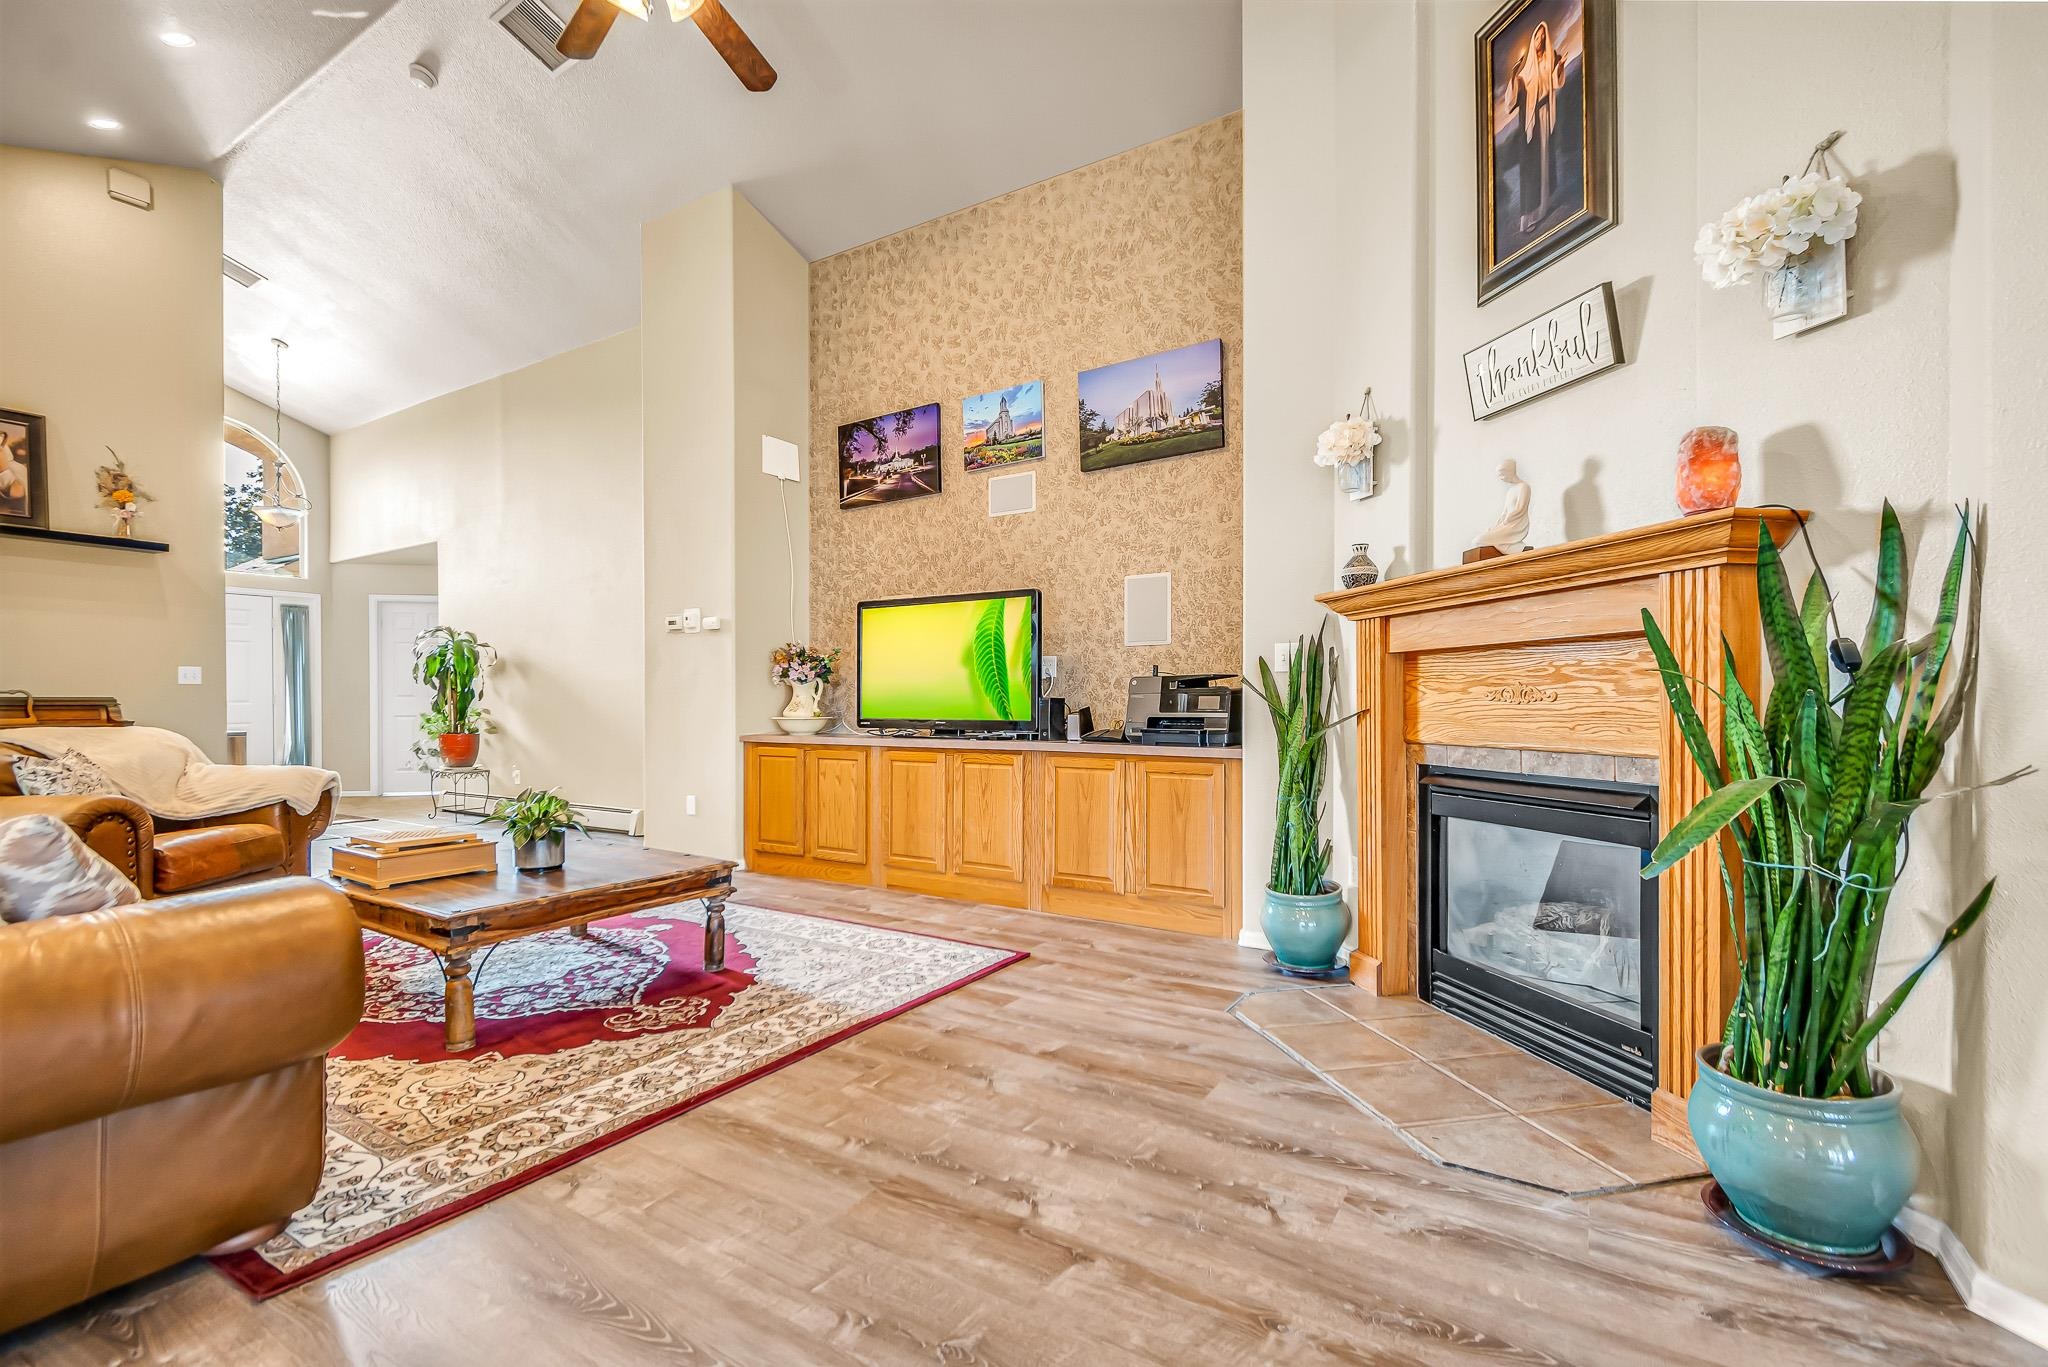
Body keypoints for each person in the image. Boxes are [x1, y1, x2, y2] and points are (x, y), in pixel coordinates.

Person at [1502, 20, 1569, 237]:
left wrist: (1559, 67)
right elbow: (1511, 103)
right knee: (1531, 168)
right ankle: (1528, 218)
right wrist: (1513, 75)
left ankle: (1543, 207)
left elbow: (1555, 83)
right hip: (1529, 127)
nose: (1540, 41)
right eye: (1537, 37)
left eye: (1542, 37)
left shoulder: (1547, 63)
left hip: (1544, 117)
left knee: (1544, 162)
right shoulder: (1524, 74)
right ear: (1533, 42)